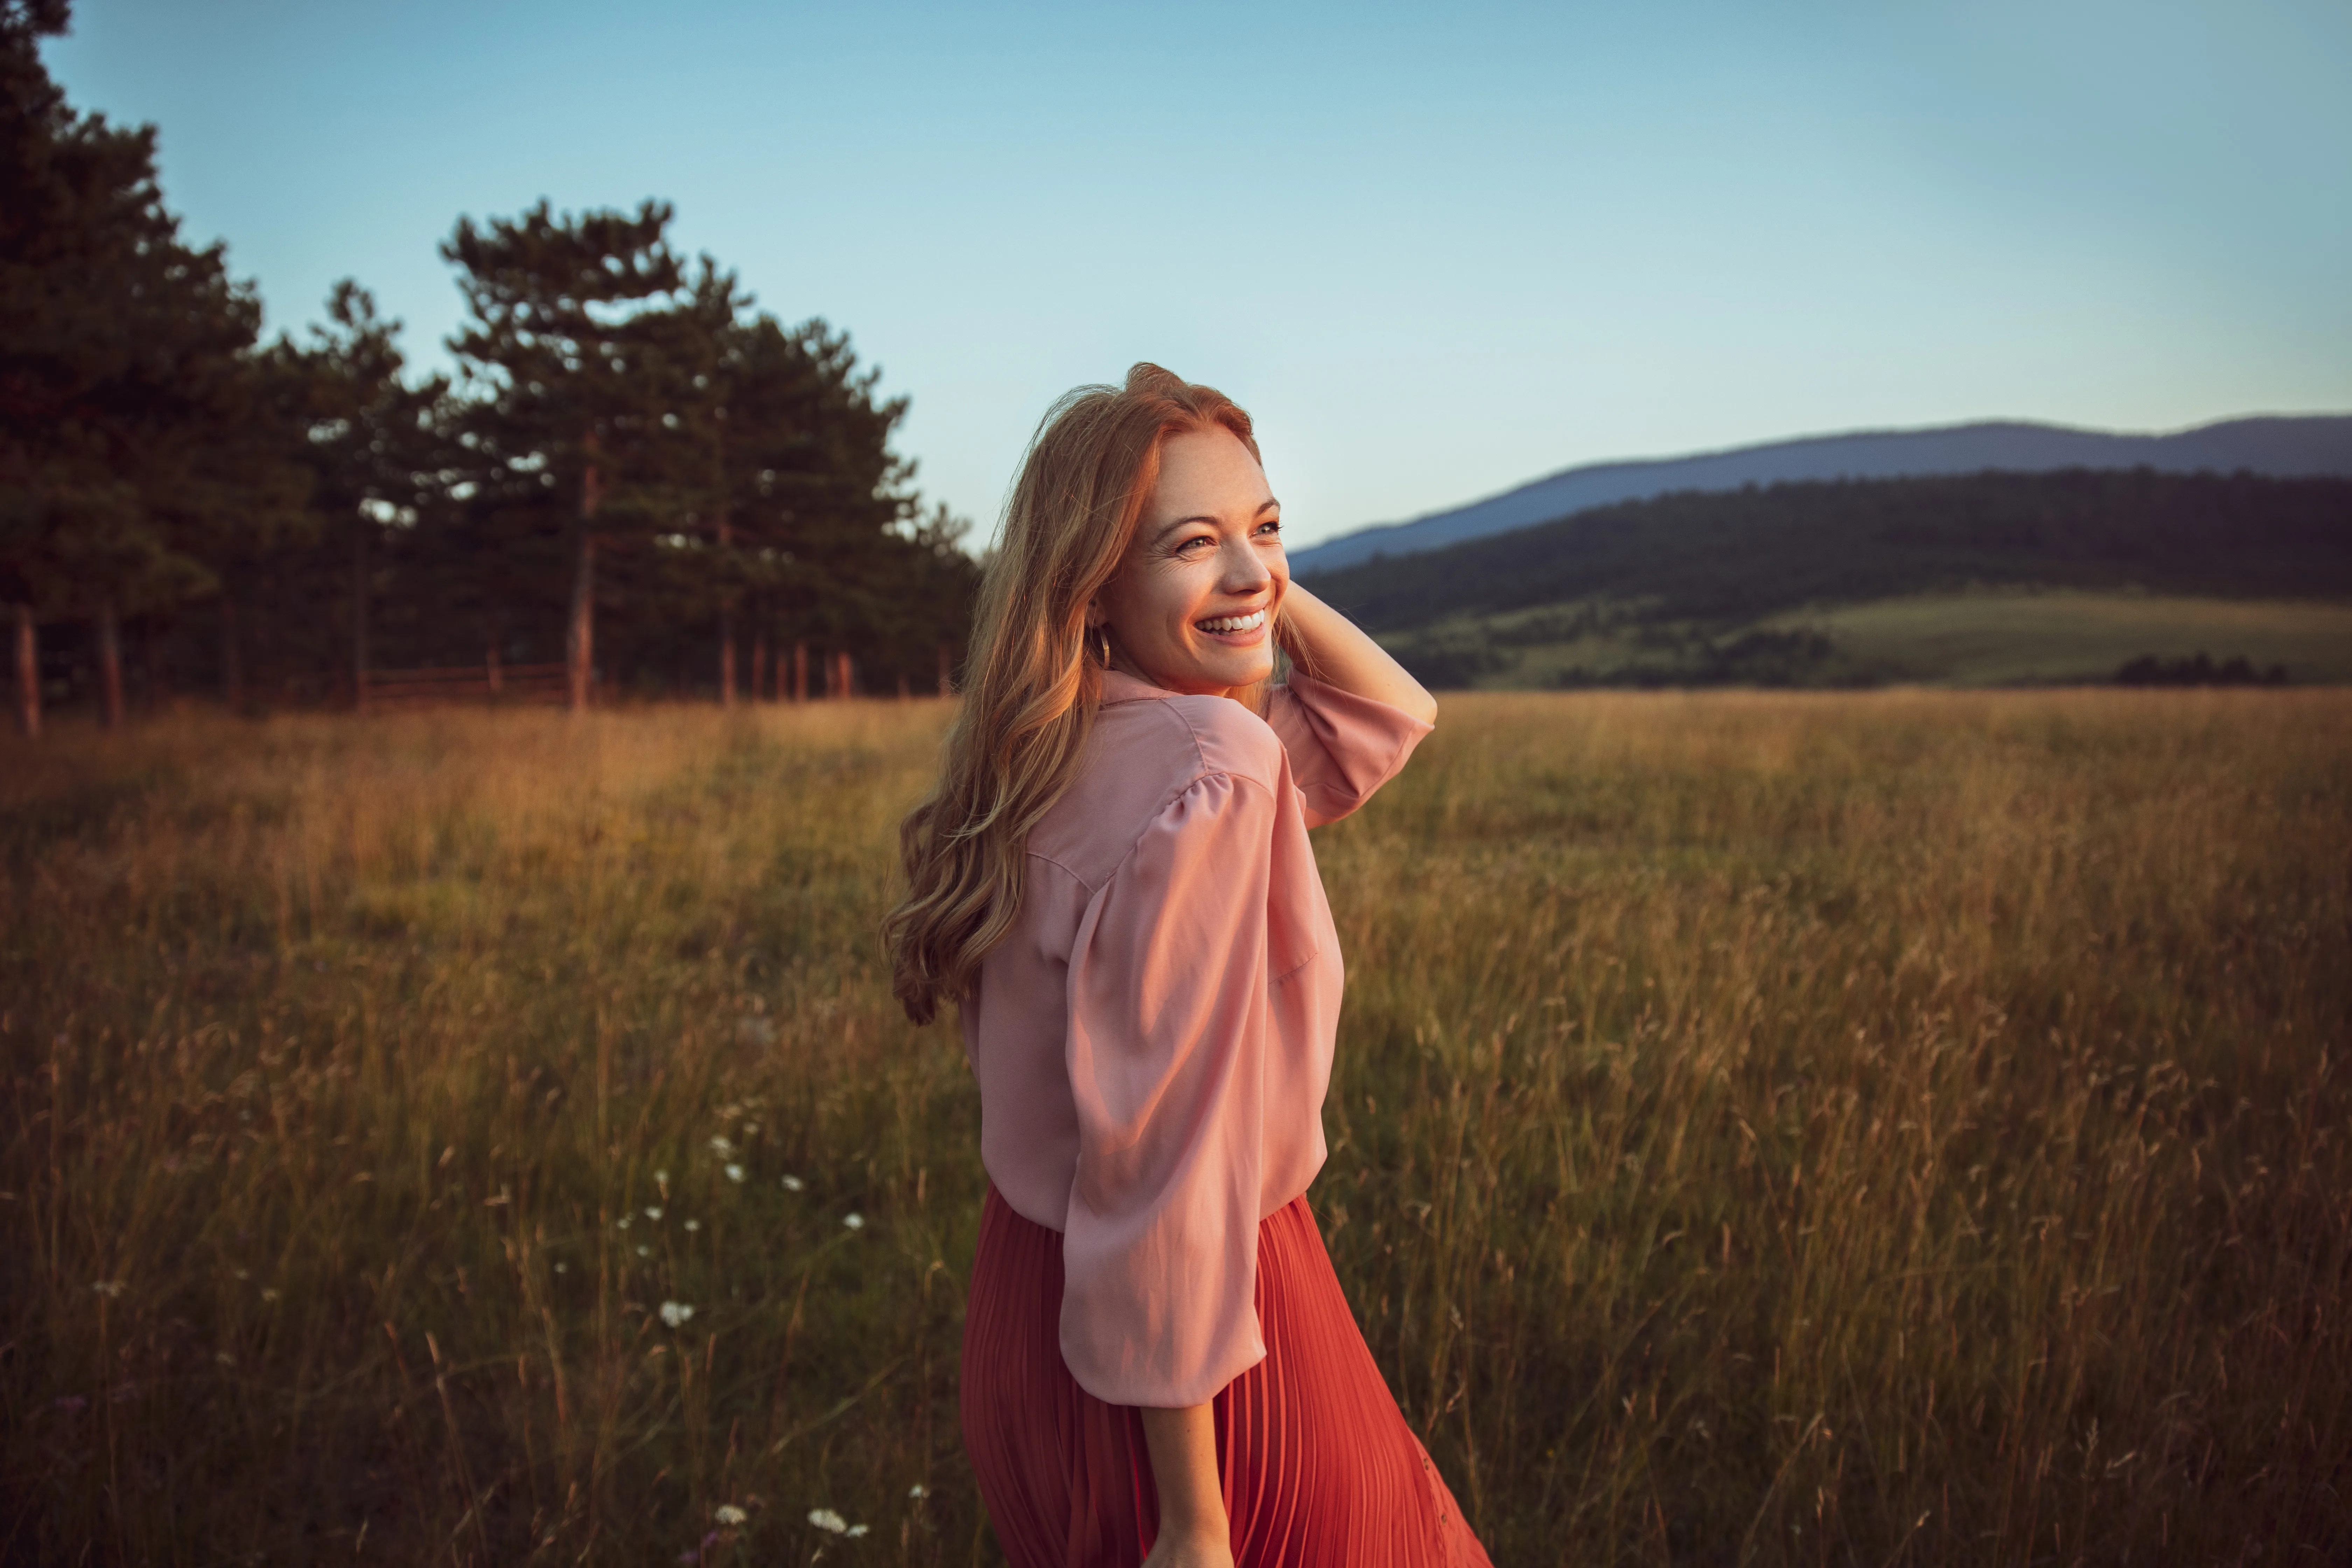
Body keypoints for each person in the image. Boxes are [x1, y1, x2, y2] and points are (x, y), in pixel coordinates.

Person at [884, 365, 1491, 1568]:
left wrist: (1241, 586)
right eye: (1189, 543)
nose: (1253, 568)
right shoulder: (1211, 764)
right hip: (1201, 1348)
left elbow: (1388, 715)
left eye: (1268, 528)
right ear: (1092, 584)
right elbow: (1167, 1161)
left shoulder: (1058, 744)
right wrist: (1196, 1523)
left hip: (1028, 1306)